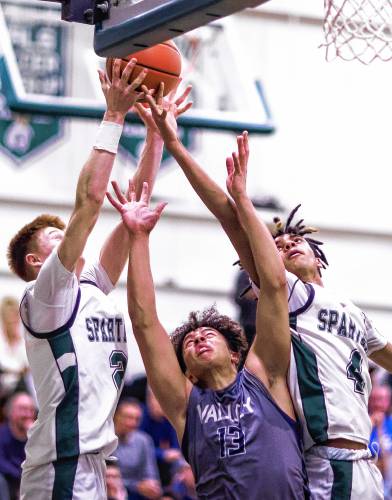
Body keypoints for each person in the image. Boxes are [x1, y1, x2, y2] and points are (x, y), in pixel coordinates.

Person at [143, 83, 392, 498]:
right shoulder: (288, 293)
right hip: (325, 462)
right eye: (276, 245)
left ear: (320, 256)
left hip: (367, 463)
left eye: (296, 240)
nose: (286, 243)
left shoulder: (355, 313)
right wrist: (177, 147)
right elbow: (230, 218)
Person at [6, 59, 189, 499]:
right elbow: (89, 203)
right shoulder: (46, 295)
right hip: (60, 465)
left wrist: (155, 137)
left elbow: (134, 212)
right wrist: (114, 114)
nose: (65, 235)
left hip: (93, 462)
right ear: (36, 261)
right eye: (54, 235)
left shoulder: (90, 287)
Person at [106, 175, 309, 498]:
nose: (198, 337)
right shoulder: (185, 404)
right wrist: (138, 238)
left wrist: (243, 202)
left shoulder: (264, 377)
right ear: (187, 371)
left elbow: (273, 287)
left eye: (208, 334)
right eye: (189, 341)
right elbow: (144, 322)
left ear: (234, 355)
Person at [114, 398, 162, 499]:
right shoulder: (106, 440)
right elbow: (106, 478)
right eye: (128, 417)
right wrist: (136, 486)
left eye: (137, 419)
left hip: (140, 493)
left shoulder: (144, 440)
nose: (132, 423)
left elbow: (151, 473)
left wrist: (152, 485)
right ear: (116, 416)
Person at [141, 386, 182, 490]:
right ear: (149, 399)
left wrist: (170, 453)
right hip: (145, 465)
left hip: (169, 464)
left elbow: (177, 446)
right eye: (156, 399)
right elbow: (139, 448)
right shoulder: (140, 417)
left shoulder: (170, 418)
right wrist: (162, 453)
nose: (159, 404)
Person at [0, 392, 36, 500]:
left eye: (31, 410)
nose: (28, 414)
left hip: (32, 483)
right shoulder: (2, 434)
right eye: (23, 409)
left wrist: (34, 436)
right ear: (11, 412)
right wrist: (21, 475)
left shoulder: (38, 437)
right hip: (9, 482)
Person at [0, 297, 30, 403]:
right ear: (3, 319)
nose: (14, 320)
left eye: (16, 316)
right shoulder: (1, 341)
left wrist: (12, 371)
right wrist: (18, 371)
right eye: (9, 317)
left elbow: (28, 367)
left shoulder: (24, 341)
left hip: (20, 390)